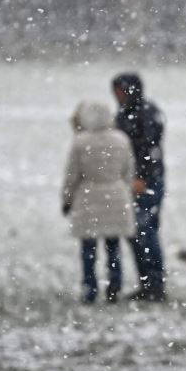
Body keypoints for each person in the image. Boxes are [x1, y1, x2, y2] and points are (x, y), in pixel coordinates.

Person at [61, 101, 136, 304]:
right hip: (116, 196)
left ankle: (90, 288)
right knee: (113, 247)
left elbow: (72, 176)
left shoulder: (80, 142)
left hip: (88, 197)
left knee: (88, 250)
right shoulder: (121, 140)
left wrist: (66, 199)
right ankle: (115, 287)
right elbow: (128, 171)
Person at [112, 72, 168, 302]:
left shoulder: (144, 114)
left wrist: (142, 177)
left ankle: (153, 283)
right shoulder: (131, 113)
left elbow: (149, 148)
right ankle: (149, 283)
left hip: (144, 182)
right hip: (136, 180)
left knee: (144, 231)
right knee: (138, 232)